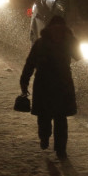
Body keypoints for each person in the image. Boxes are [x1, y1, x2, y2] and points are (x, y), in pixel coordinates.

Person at [20, 15, 79, 159]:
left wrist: (24, 81)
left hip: (43, 83)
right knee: (61, 118)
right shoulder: (68, 42)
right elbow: (79, 56)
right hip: (62, 83)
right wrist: (72, 39)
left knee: (44, 115)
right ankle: (61, 150)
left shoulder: (41, 43)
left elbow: (30, 63)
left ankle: (45, 137)